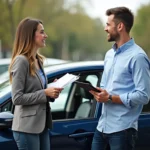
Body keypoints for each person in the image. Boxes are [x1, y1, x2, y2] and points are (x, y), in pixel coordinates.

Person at [90, 6, 150, 150]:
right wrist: (98, 93)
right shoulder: (109, 55)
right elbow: (105, 86)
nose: (105, 28)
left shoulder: (138, 57)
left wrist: (111, 98)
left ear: (120, 26)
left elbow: (143, 96)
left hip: (123, 130)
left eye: (108, 24)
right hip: (102, 126)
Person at [9, 17, 63, 150]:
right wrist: (44, 93)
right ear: (30, 35)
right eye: (42, 32)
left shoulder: (38, 60)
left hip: (41, 125)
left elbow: (37, 90)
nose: (46, 35)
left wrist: (51, 90)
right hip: (26, 128)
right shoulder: (21, 61)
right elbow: (17, 98)